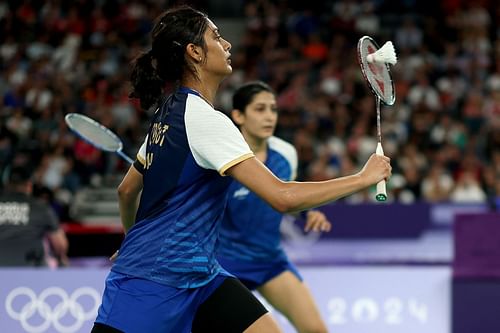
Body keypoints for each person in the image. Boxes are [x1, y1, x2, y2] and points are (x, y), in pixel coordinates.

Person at [92, 6, 391, 333]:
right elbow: (283, 197)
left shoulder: (169, 113)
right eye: (217, 37)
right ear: (194, 53)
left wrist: (131, 236)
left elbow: (126, 190)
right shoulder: (207, 122)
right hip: (153, 282)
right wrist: (363, 178)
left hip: (202, 277)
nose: (228, 44)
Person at [217, 81, 330, 333]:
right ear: (238, 115)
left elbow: (283, 197)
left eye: (273, 109)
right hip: (224, 266)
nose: (269, 117)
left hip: (269, 261)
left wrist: (308, 210)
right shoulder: (220, 157)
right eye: (259, 109)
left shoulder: (286, 153)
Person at [0, 165, 69, 267]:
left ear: (6, 184)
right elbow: (61, 245)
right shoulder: (41, 207)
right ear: (29, 185)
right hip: (31, 273)